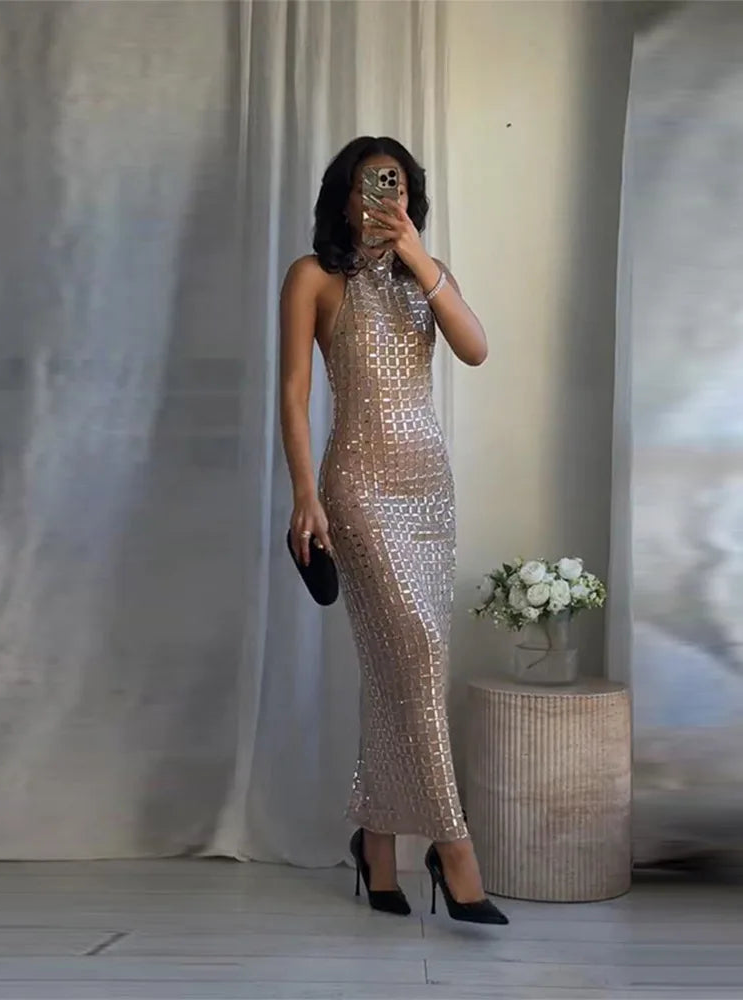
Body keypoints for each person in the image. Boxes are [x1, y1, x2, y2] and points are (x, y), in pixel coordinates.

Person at [279, 136, 508, 925]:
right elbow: (293, 391)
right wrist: (304, 495)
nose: (384, 198)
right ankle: (454, 850)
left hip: (429, 492)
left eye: (397, 185)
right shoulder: (313, 277)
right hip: (359, 489)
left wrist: (416, 255)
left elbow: (475, 349)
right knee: (416, 659)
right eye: (370, 185)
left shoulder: (427, 275)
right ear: (344, 198)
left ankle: (376, 847)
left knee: (399, 675)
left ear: (411, 197)